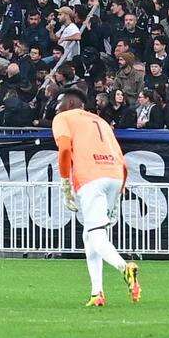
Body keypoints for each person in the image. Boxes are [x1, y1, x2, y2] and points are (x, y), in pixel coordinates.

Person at [53, 90, 139, 305]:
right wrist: (121, 187)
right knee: (91, 234)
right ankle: (97, 293)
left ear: (69, 104)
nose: (55, 108)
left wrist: (65, 183)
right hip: (116, 176)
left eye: (58, 103)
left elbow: (64, 150)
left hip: (91, 177)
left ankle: (125, 267)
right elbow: (120, 155)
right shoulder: (100, 120)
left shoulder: (63, 118)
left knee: (97, 235)